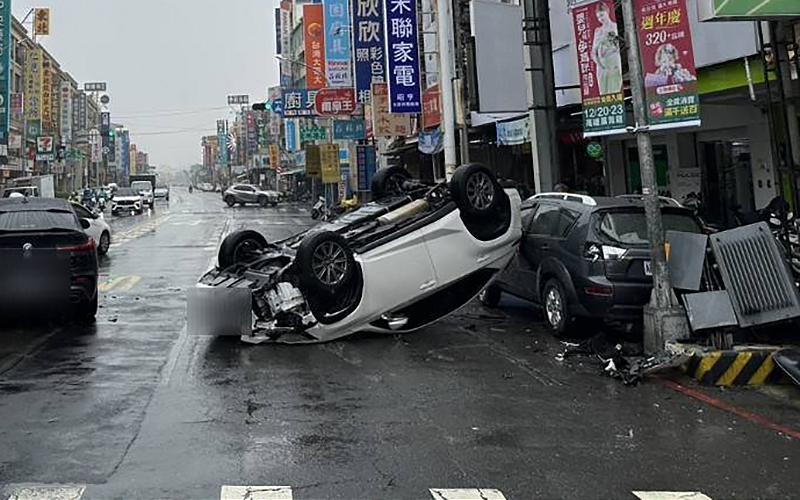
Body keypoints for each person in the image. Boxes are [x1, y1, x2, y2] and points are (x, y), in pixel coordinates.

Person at [591, 2, 623, 95]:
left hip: (614, 65)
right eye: (598, 17)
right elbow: (593, 52)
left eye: (602, 15)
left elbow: (619, 46)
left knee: (615, 92)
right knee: (604, 94)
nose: (600, 19)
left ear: (607, 12)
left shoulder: (615, 27)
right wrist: (600, 64)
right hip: (602, 67)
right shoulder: (598, 31)